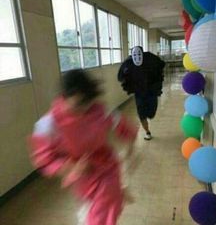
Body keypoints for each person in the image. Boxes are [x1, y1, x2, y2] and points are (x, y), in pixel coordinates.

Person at [28, 69, 138, 225]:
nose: (84, 109)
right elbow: (44, 159)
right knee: (98, 205)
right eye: (78, 104)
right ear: (64, 98)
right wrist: (70, 167)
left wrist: (130, 146)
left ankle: (115, 194)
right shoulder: (48, 124)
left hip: (106, 167)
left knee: (105, 204)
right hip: (82, 176)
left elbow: (125, 128)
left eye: (87, 103)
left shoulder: (98, 111)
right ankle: (116, 195)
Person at [118, 46, 165, 140]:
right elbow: (120, 76)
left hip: (151, 91)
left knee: (151, 114)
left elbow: (161, 65)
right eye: (134, 54)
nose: (137, 56)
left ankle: (149, 116)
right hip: (139, 93)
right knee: (142, 114)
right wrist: (125, 74)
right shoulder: (129, 63)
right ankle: (147, 132)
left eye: (139, 54)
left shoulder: (150, 59)